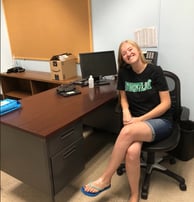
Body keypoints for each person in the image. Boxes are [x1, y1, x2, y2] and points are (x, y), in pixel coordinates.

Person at [80, 39, 173, 202]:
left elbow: (166, 103)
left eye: (130, 49)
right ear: (122, 59)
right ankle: (134, 195)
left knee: (127, 131)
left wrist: (140, 119)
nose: (128, 54)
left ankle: (105, 179)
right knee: (131, 153)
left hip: (160, 121)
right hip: (135, 122)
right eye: (124, 53)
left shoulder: (155, 71)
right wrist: (125, 111)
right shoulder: (124, 73)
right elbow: (122, 97)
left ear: (138, 50)